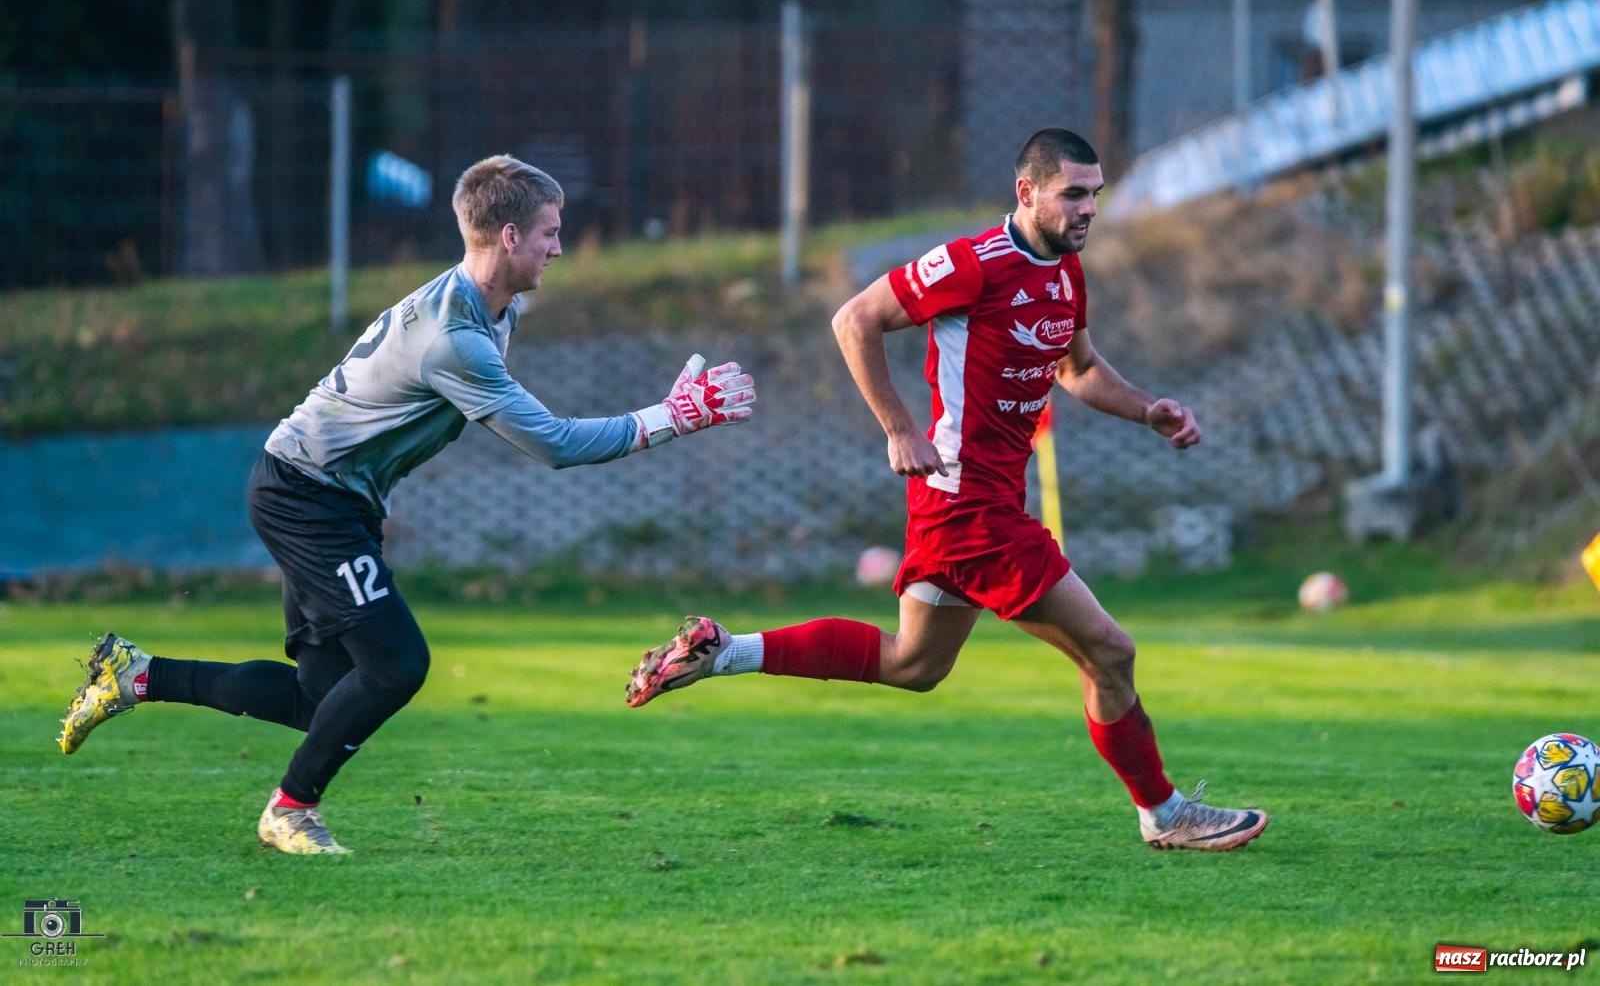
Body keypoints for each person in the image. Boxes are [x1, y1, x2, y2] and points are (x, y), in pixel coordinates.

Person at [59, 154, 757, 855]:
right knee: (397, 664)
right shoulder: (453, 338)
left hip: (325, 494)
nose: (560, 245)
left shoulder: (491, 307)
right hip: (307, 495)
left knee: (320, 699)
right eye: (549, 231)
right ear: (508, 236)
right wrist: (674, 415)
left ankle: (138, 674)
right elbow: (554, 444)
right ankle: (291, 809)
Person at [626, 128, 1267, 852]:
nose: (1089, 208)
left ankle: (726, 649)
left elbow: (1077, 370)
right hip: (970, 507)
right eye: (1073, 194)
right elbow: (854, 319)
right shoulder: (973, 263)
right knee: (1110, 652)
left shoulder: (1065, 272)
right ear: (1026, 193)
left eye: (1096, 194)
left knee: (916, 663)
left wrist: (1147, 408)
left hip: (967, 505)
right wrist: (898, 426)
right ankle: (1165, 810)